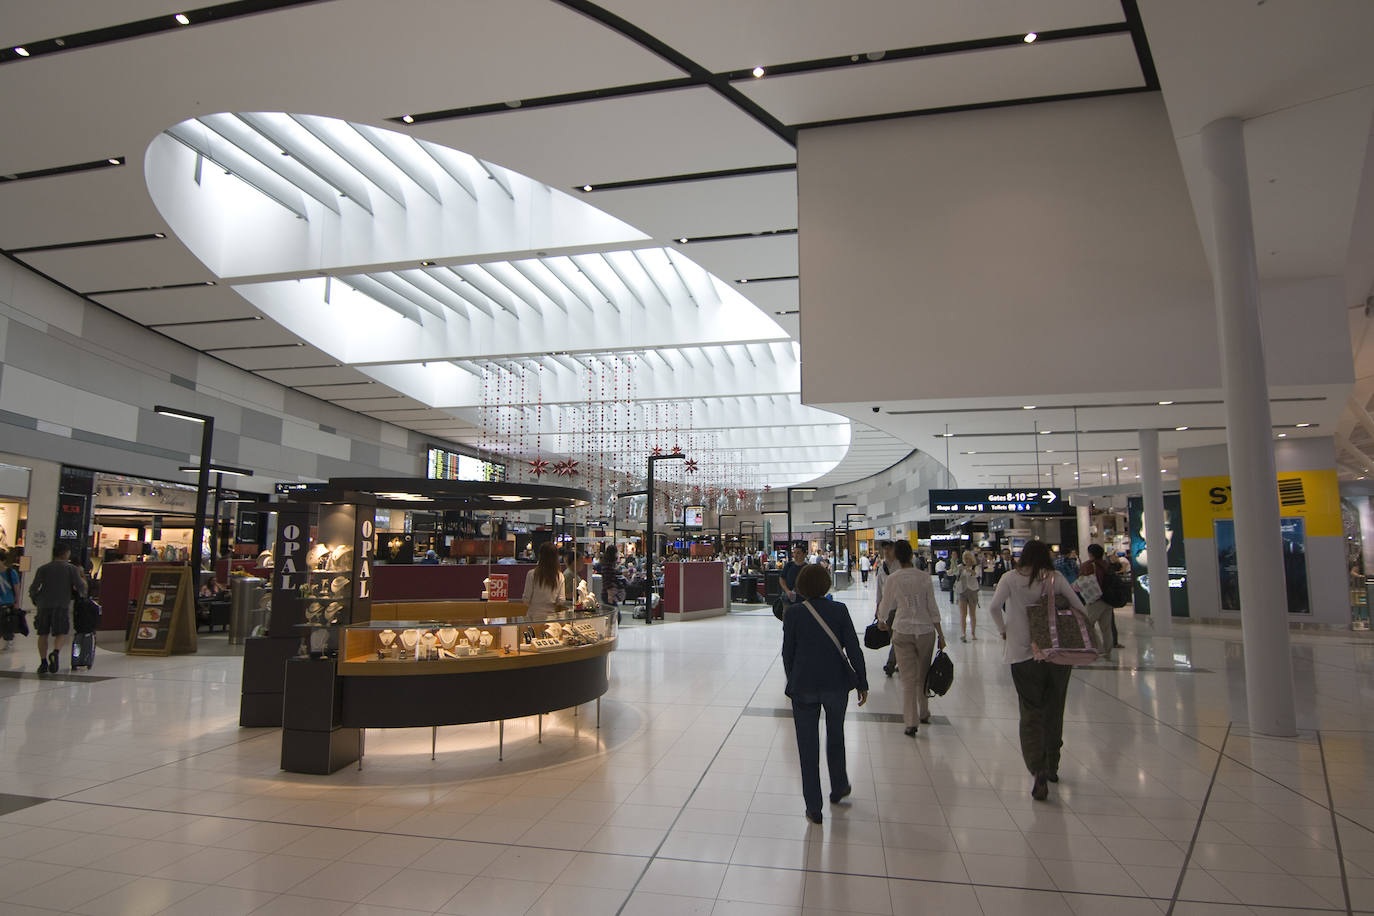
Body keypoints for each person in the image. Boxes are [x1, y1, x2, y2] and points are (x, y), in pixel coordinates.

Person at [988, 539, 1086, 801]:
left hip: (1022, 654)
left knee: (1030, 710)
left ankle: (1037, 768)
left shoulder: (1010, 578)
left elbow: (994, 607)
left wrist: (1004, 630)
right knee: (1055, 708)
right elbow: (1079, 607)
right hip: (1055, 654)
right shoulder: (1054, 578)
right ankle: (1053, 764)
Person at [781, 563, 868, 824]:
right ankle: (839, 785)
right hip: (836, 685)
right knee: (836, 735)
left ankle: (814, 806)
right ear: (827, 584)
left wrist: (792, 681)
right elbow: (853, 648)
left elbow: (788, 653)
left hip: (804, 686)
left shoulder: (794, 614)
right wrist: (862, 681)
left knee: (807, 747)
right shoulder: (839, 610)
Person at [877, 539, 946, 735]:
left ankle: (911, 722)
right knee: (923, 674)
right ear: (911, 555)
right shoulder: (924, 577)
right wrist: (940, 633)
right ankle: (924, 712)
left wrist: (882, 620)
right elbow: (932, 607)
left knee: (908, 678)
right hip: (925, 631)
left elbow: (886, 604)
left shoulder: (894, 578)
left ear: (897, 557)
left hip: (902, 629)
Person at [28, 546, 86, 675]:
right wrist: (82, 596)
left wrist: (36, 600)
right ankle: (55, 652)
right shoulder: (71, 569)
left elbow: (34, 588)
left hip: (43, 605)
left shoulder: (43, 569)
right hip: (61, 604)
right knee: (61, 632)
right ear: (66, 554)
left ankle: (43, 662)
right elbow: (80, 586)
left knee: (42, 633)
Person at [1077, 544, 1116, 660]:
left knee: (1087, 624)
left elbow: (1081, 579)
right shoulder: (1106, 565)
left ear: (1091, 554)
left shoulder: (1088, 565)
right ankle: (1108, 651)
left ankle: (1098, 648)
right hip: (1108, 599)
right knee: (1106, 627)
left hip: (1094, 599)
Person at [873, 541, 898, 677]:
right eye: (884, 550)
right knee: (894, 638)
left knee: (897, 638)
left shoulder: (900, 567)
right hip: (886, 609)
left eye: (889, 549)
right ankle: (899, 659)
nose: (887, 552)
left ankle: (890, 664)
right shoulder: (882, 568)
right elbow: (879, 590)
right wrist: (877, 609)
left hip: (900, 608)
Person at [523, 543, 565, 618]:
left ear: (540, 556)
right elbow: (561, 600)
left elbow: (526, 599)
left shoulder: (531, 574)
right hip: (551, 618)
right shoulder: (560, 576)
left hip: (533, 616)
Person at [955, 550, 981, 642]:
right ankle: (963, 633)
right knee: (963, 613)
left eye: (967, 558)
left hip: (972, 591)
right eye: (964, 558)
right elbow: (953, 573)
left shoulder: (976, 567)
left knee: (972, 613)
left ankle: (973, 633)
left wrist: (967, 569)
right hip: (962, 591)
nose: (966, 560)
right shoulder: (960, 567)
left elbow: (976, 574)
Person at [0, 550, 23, 648]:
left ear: (3, 561)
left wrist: (17, 602)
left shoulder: (11, 573)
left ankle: (8, 638)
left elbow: (16, 588)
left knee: (6, 622)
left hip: (8, 602)